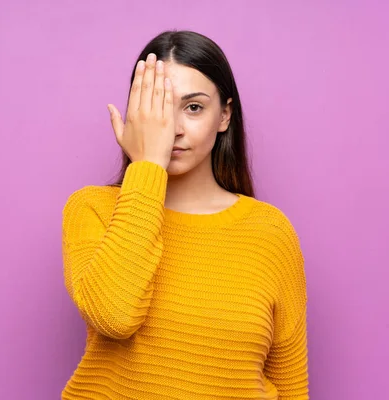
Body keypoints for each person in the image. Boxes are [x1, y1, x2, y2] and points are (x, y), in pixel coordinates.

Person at [61, 30, 309, 399]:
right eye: (158, 108)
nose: (172, 129)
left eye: (193, 107)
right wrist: (147, 166)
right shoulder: (92, 209)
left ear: (224, 115)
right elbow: (115, 316)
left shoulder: (270, 232)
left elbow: (291, 386)